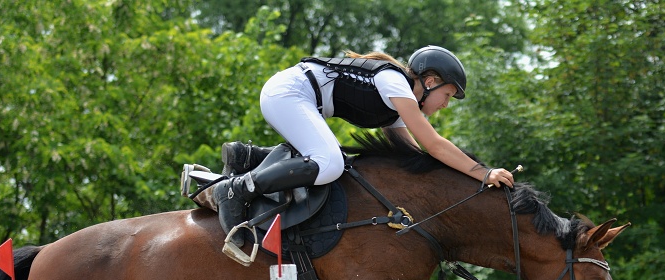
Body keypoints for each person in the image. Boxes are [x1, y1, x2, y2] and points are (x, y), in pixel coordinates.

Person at [210, 45, 515, 245]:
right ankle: (237, 189)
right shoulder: (397, 85)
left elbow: (411, 155)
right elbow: (433, 144)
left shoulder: (395, 105)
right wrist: (484, 173)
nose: (446, 105)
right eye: (447, 95)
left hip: (294, 95)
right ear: (431, 81)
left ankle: (247, 156)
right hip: (288, 94)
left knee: (336, 160)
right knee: (330, 163)